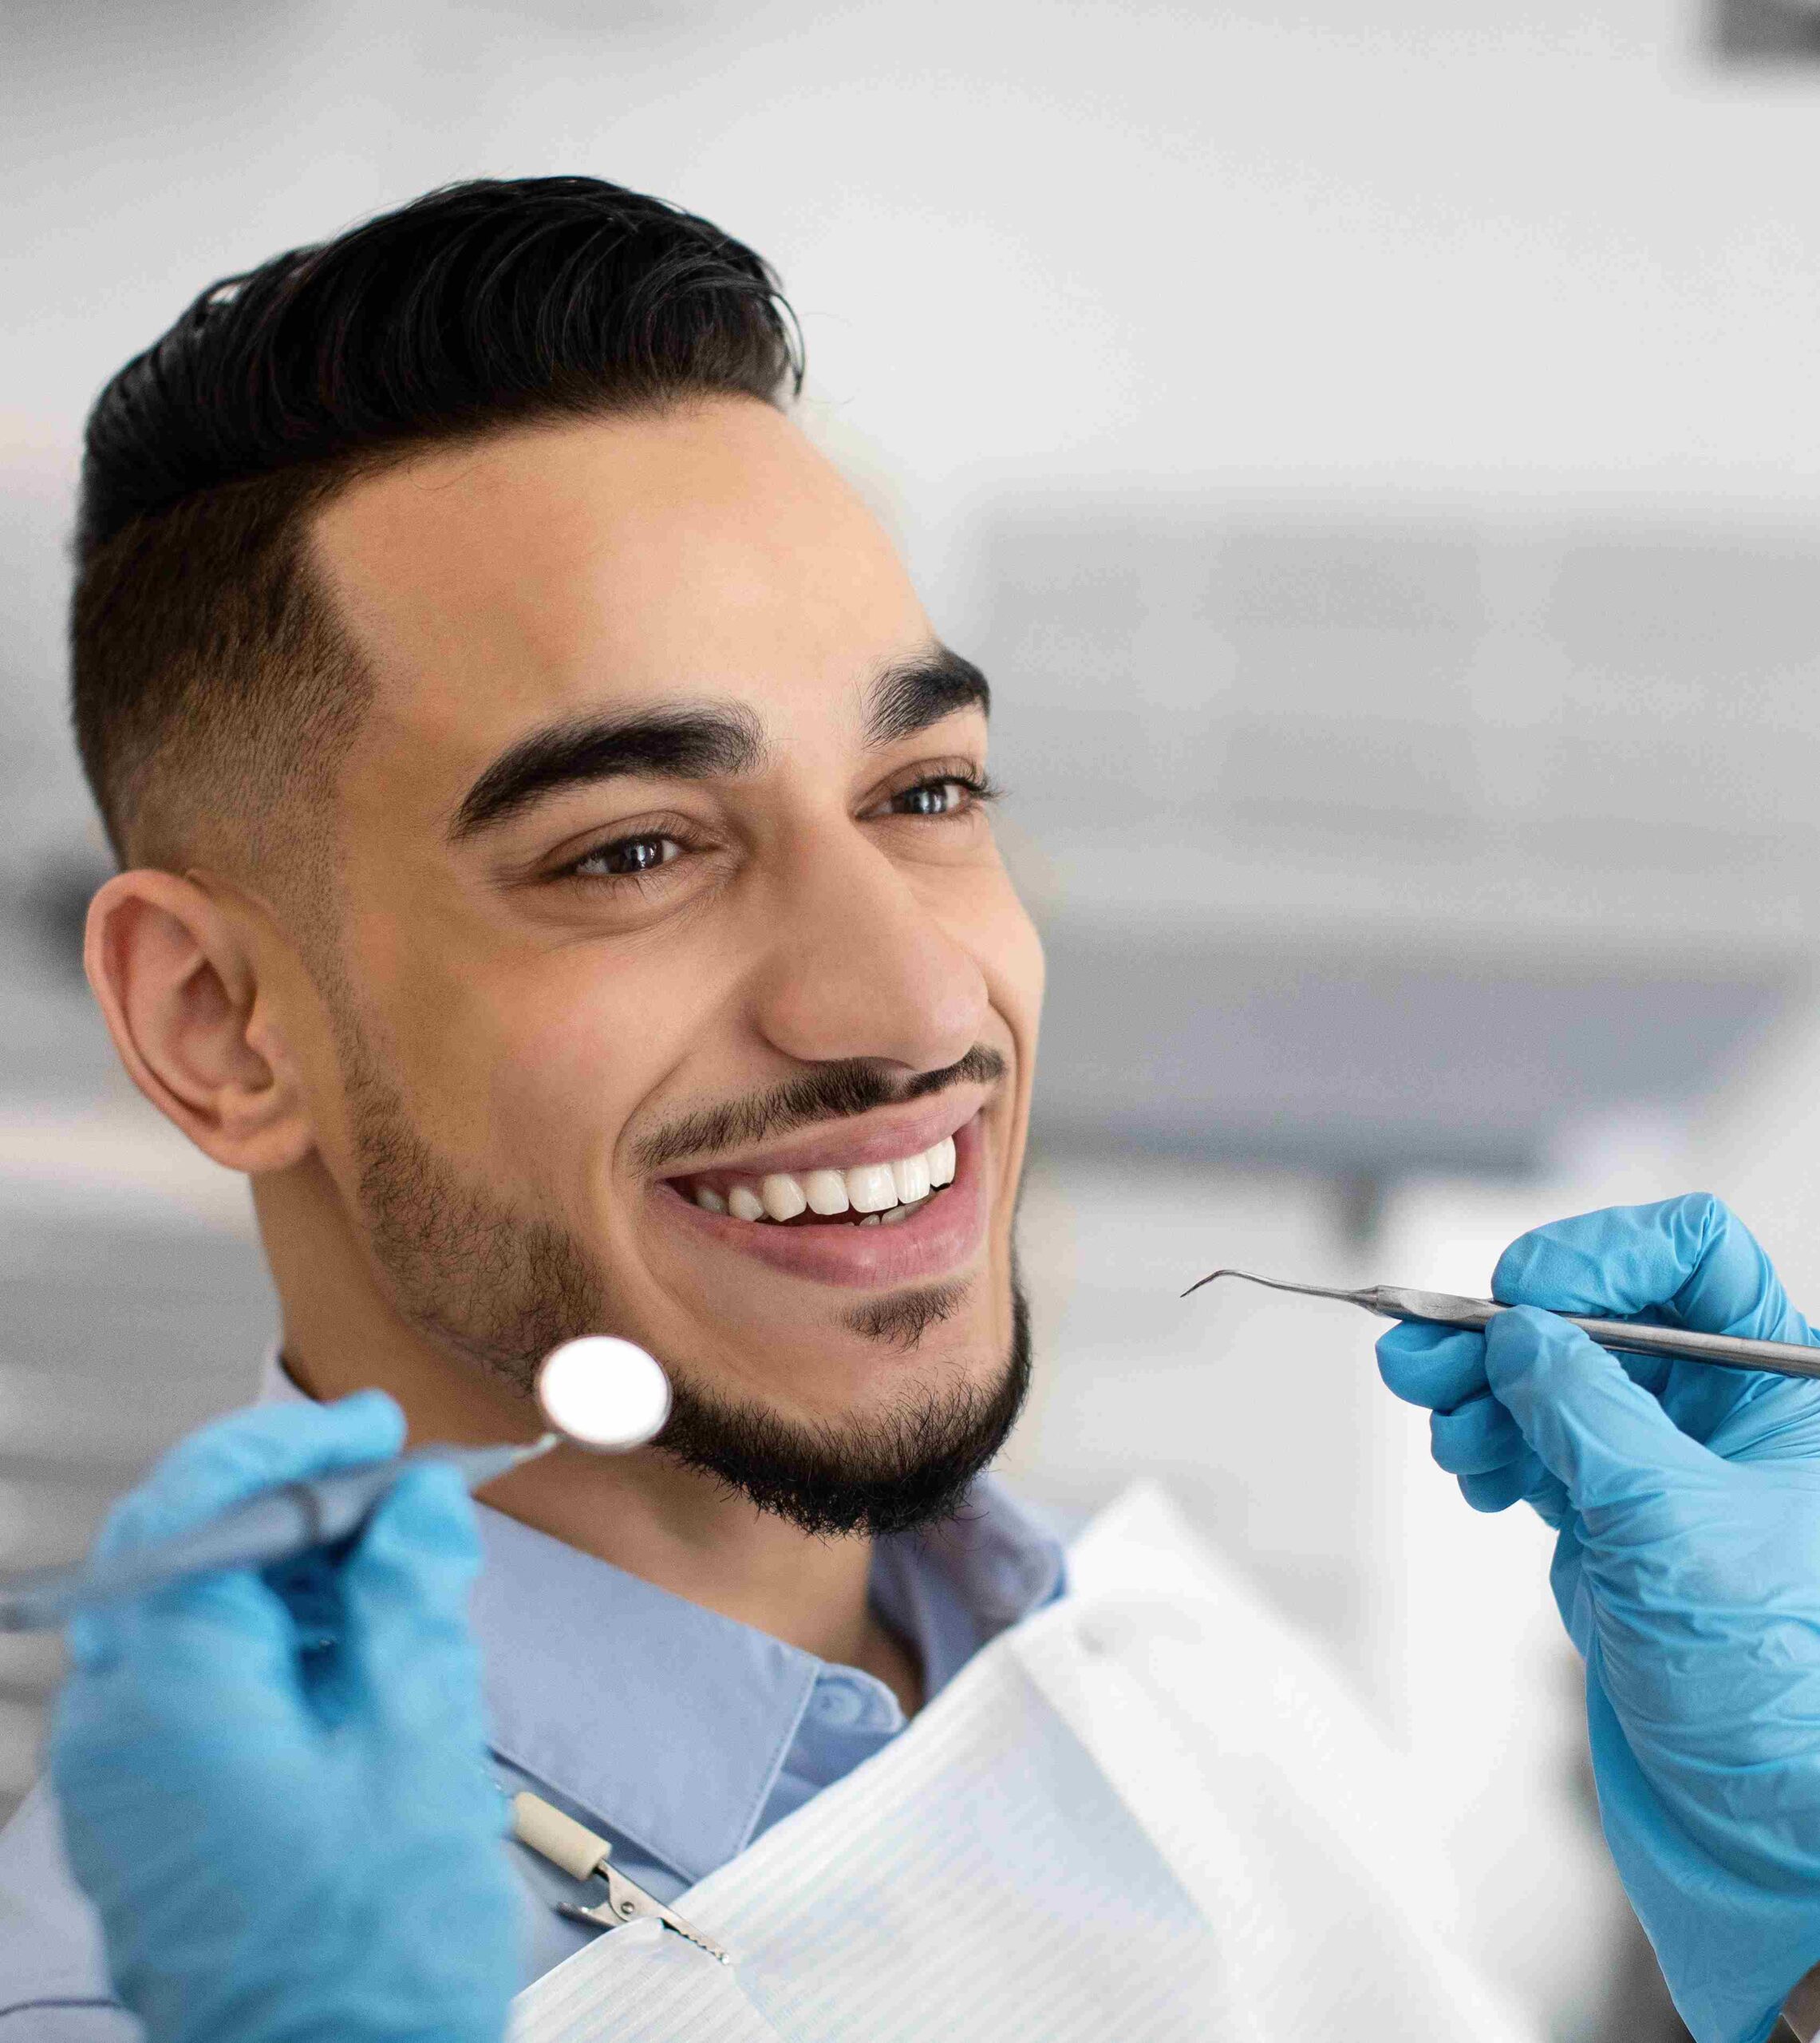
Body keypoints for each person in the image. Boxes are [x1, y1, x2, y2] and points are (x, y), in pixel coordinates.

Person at [2, 178, 1819, 2043]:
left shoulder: (1128, 1636)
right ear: (219, 1023)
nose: (917, 998)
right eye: (632, 846)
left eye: (926, 789)